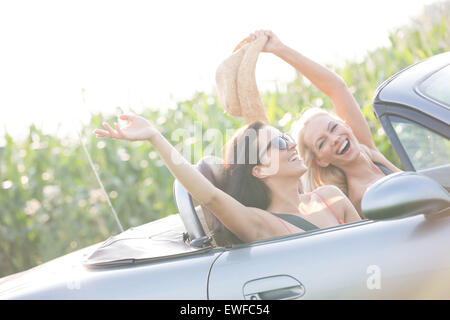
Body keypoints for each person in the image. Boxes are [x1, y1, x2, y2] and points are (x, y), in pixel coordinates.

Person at [94, 115, 360, 243]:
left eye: (287, 137)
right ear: (260, 170)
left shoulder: (332, 198)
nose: (291, 145)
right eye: (279, 142)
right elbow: (210, 196)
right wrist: (155, 137)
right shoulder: (262, 223)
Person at [244, 30, 402, 215]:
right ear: (322, 160)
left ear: (347, 126)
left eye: (334, 128)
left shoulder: (370, 153)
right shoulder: (361, 197)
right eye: (322, 143)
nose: (334, 139)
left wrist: (279, 48)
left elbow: (336, 88)